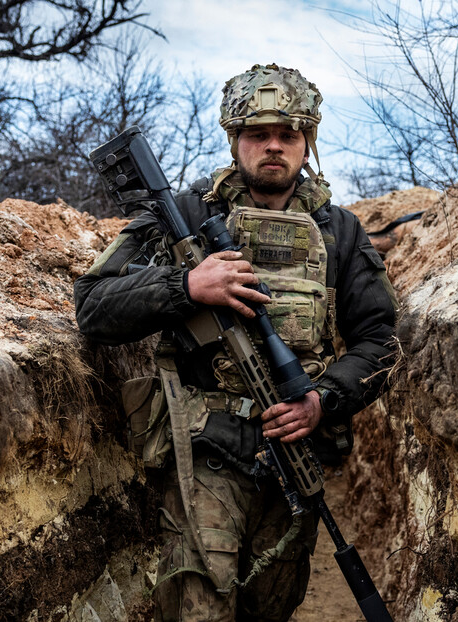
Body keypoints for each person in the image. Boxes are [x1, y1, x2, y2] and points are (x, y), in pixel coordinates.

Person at [74, 63, 397, 621]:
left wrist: (323, 400)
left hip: (295, 453)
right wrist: (186, 285)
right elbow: (94, 306)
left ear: (307, 141)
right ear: (234, 139)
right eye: (257, 134)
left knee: (270, 607)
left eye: (288, 135)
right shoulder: (186, 215)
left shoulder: (340, 231)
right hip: (207, 450)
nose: (273, 147)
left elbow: (381, 341)